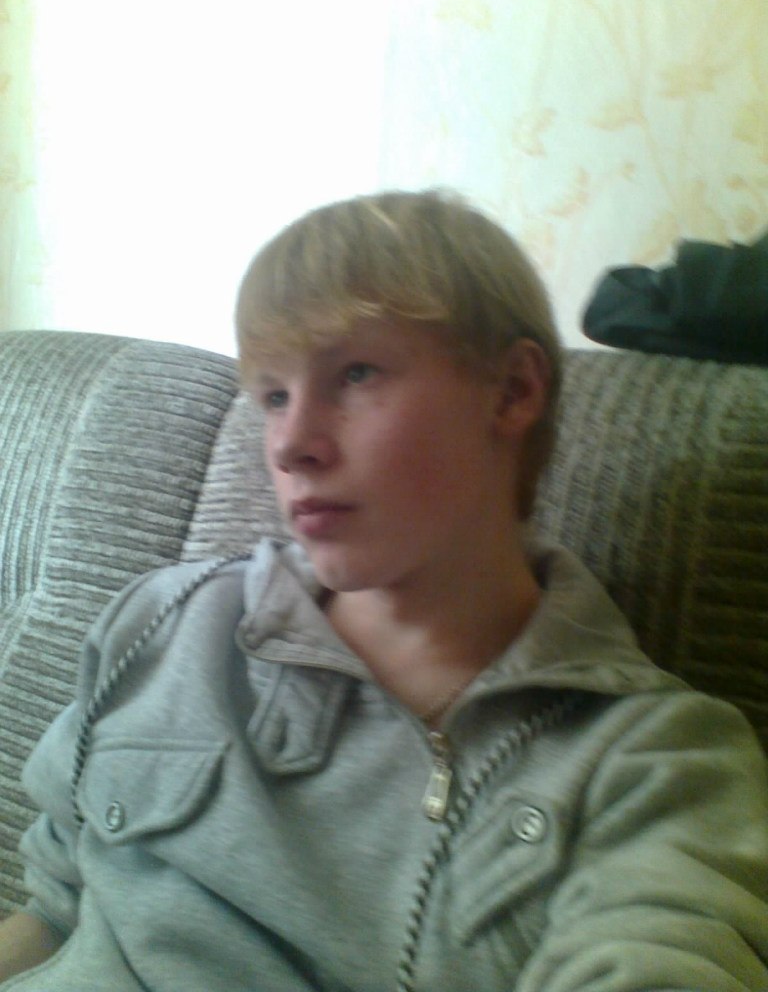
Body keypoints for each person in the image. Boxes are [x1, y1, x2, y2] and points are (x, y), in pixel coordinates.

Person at [1, 189, 767, 992]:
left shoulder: (654, 767)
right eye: (273, 396)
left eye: (355, 373)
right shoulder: (165, 620)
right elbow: (53, 907)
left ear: (512, 390)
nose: (290, 445)